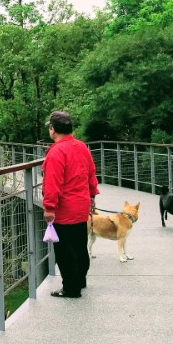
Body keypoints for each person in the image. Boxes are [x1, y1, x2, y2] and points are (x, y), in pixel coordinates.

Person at [42, 111, 99, 298]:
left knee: (65, 251)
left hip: (64, 209)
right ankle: (80, 280)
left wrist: (49, 208)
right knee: (79, 245)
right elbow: (91, 173)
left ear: (52, 130)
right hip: (81, 205)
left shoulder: (56, 152)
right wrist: (92, 196)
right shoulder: (82, 147)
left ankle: (71, 288)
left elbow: (52, 182)